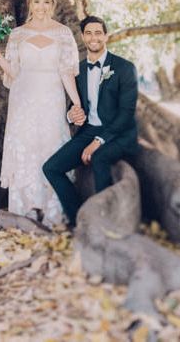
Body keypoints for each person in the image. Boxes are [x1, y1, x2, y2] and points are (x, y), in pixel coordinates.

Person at [0, 0, 82, 225]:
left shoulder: (63, 33)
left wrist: (76, 103)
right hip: (23, 99)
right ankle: (23, 212)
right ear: (30, 3)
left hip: (51, 98)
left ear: (53, 4)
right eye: (37, 1)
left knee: (50, 148)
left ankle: (53, 215)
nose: (41, 7)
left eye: (46, 2)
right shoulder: (18, 33)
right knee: (25, 150)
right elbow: (13, 72)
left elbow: (67, 72)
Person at [42, 15, 140, 228]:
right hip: (88, 130)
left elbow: (126, 114)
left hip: (119, 133)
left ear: (105, 36)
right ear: (83, 37)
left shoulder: (125, 68)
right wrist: (72, 116)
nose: (93, 37)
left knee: (100, 157)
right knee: (51, 168)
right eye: (88, 33)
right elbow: (74, 106)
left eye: (98, 32)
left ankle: (107, 221)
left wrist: (99, 140)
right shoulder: (79, 70)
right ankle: (81, 219)